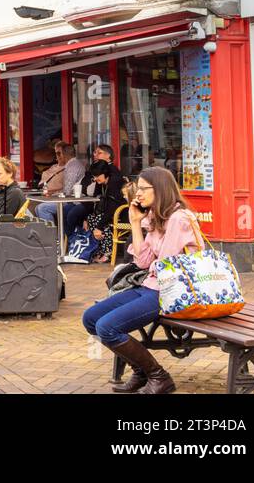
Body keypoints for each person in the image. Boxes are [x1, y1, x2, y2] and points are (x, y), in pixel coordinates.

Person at [81, 166, 201, 394]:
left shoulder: (179, 219)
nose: (138, 194)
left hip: (173, 292)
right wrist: (136, 222)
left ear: (161, 190)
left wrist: (153, 260)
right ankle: (141, 371)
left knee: (107, 327)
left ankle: (159, 376)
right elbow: (144, 262)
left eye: (144, 189)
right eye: (138, 189)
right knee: (91, 318)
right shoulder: (156, 217)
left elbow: (165, 265)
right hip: (151, 286)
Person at [72, 149, 128, 263]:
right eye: (94, 176)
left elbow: (112, 208)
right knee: (91, 219)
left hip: (121, 214)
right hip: (109, 212)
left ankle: (107, 252)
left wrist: (99, 227)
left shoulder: (114, 183)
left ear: (105, 173)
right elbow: (96, 201)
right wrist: (87, 219)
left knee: (100, 221)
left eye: (98, 175)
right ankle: (99, 250)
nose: (96, 179)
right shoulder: (101, 183)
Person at [34, 142, 87, 237]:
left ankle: (53, 239)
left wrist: (53, 194)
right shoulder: (71, 165)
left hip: (74, 202)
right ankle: (51, 238)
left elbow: (67, 191)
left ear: (62, 154)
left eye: (58, 153)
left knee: (42, 208)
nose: (57, 156)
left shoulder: (73, 166)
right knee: (38, 207)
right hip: (71, 199)